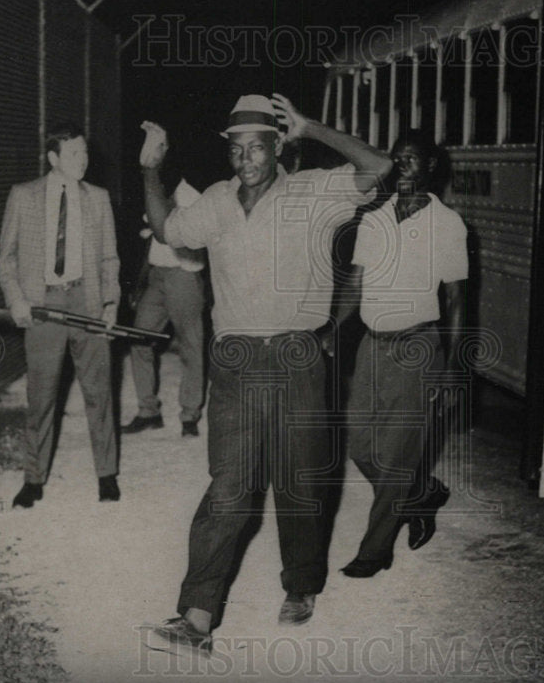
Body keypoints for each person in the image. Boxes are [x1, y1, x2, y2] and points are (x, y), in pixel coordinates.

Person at [141, 93, 391, 650]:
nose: (247, 158)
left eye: (258, 146)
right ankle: (198, 617)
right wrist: (149, 169)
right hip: (235, 360)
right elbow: (166, 229)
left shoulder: (313, 191)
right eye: (237, 148)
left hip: (298, 354)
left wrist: (313, 128)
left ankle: (300, 585)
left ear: (279, 147)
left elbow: (378, 167)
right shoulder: (216, 201)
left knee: (299, 479)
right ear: (228, 151)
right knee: (229, 487)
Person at [334, 130, 467, 577]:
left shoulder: (448, 224)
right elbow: (355, 281)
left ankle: (375, 551)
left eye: (412, 159)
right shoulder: (373, 218)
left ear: (430, 167)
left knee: (395, 459)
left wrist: (451, 369)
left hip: (417, 348)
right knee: (358, 445)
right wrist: (332, 330)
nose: (402, 166)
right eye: (397, 158)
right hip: (373, 346)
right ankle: (422, 492)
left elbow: (457, 300)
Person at [0, 122, 121, 507]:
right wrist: (17, 300)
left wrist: (111, 303)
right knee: (41, 397)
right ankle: (33, 480)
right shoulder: (23, 196)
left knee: (99, 394)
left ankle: (106, 475)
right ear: (54, 158)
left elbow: (109, 259)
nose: (83, 160)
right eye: (73, 154)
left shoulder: (98, 198)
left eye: (84, 152)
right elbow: (7, 259)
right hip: (43, 306)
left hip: (87, 301)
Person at [121, 175, 207, 438]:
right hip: (157, 276)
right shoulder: (153, 189)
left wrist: (157, 222)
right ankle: (148, 412)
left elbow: (188, 232)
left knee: (191, 346)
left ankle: (190, 415)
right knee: (139, 338)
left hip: (183, 275)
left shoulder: (192, 193)